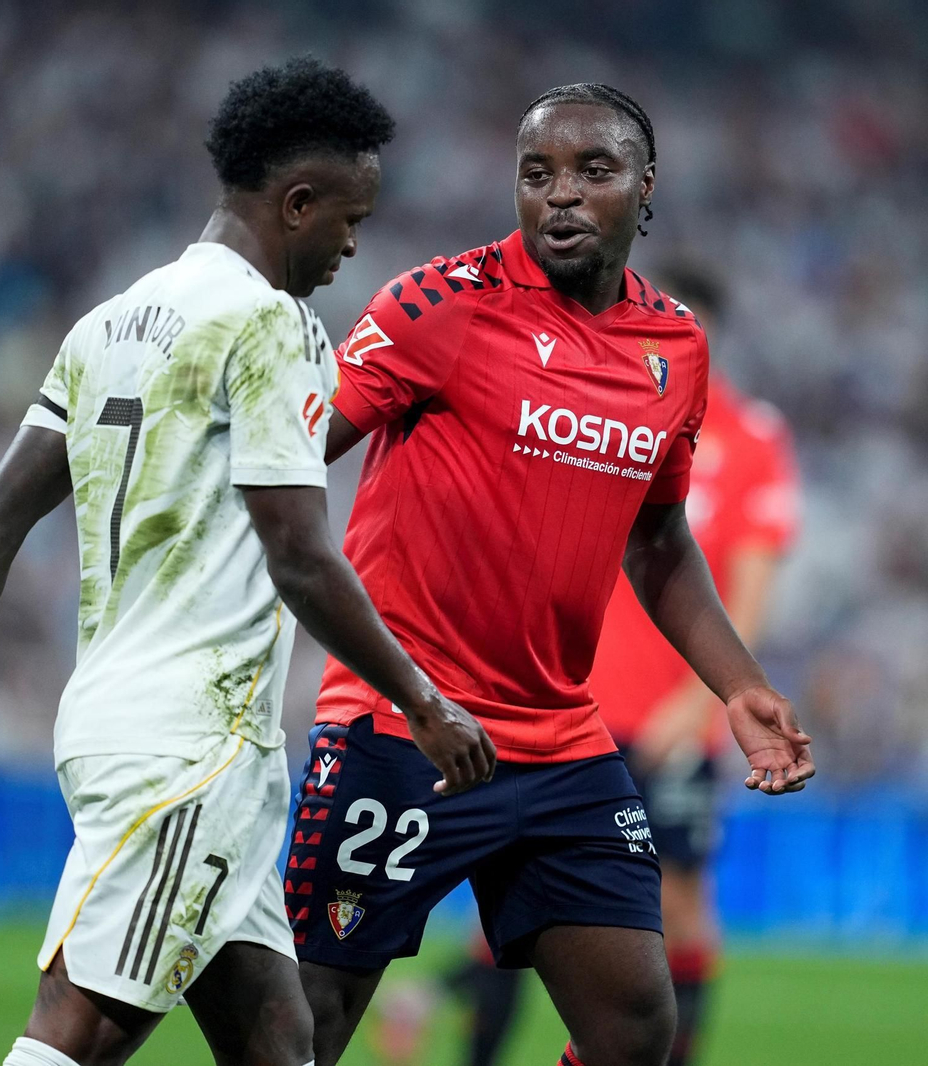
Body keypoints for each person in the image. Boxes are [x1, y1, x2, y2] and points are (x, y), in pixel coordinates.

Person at [0, 58, 493, 1066]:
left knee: (279, 1041)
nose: (351, 244)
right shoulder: (272, 325)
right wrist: (418, 698)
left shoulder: (107, 323)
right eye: (348, 218)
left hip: (140, 726)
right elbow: (298, 552)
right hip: (188, 746)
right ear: (296, 204)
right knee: (79, 1027)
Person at [288, 83, 815, 1066]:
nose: (560, 195)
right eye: (538, 174)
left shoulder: (673, 348)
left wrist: (738, 686)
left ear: (644, 188)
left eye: (592, 171)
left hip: (558, 737)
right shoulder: (435, 307)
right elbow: (288, 458)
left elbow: (657, 540)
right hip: (405, 721)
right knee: (312, 1018)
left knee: (634, 1028)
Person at [451, 263, 803, 1066]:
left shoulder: (752, 443)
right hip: (565, 708)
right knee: (502, 898)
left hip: (672, 722)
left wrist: (699, 707)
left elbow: (747, 593)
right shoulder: (594, 412)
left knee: (680, 906)